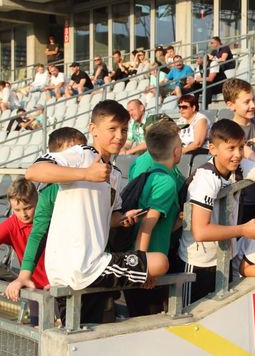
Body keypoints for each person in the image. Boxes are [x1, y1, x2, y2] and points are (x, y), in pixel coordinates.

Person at [24, 100, 169, 292]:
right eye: (112, 129)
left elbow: (110, 218)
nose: (119, 136)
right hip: (80, 267)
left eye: (124, 130)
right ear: (93, 129)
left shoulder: (114, 174)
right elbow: (33, 172)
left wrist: (123, 218)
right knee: (160, 262)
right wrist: (86, 174)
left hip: (91, 263)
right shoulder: (81, 155)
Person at [179, 118, 255, 305]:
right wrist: (242, 230)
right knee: (194, 315)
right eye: (231, 148)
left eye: (241, 147)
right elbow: (200, 232)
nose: (238, 154)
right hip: (199, 263)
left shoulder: (243, 166)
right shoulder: (205, 179)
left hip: (227, 256)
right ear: (212, 149)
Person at [5, 128, 87, 303]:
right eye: (18, 210)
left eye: (28, 208)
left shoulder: (94, 185)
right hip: (43, 286)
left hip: (78, 279)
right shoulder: (49, 194)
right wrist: (23, 276)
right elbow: (37, 235)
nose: (24, 214)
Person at [123, 120, 184, 317]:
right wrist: (142, 269)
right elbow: (147, 225)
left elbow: (160, 225)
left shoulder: (151, 175)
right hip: (147, 267)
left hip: (140, 260)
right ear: (176, 152)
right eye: (181, 145)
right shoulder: (166, 182)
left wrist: (179, 222)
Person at [224, 79, 255, 222]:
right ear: (231, 105)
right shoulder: (227, 130)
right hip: (237, 200)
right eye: (246, 102)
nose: (253, 105)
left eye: (253, 100)